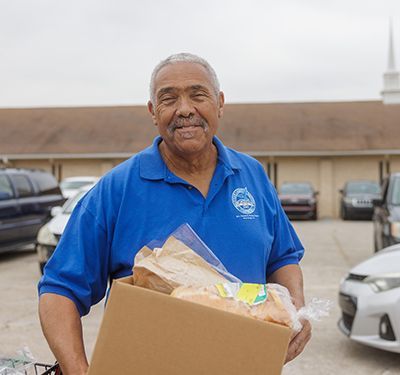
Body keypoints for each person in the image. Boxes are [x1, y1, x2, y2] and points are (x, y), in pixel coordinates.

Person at [38, 53, 311, 375]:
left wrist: (297, 312)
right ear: (154, 112)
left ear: (220, 103)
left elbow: (282, 258)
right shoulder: (117, 189)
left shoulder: (251, 175)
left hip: (244, 363)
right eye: (169, 99)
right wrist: (76, 369)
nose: (184, 109)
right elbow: (59, 290)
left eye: (198, 95)